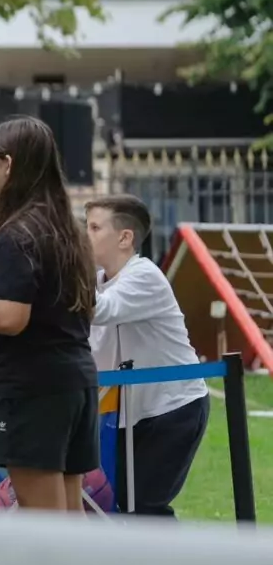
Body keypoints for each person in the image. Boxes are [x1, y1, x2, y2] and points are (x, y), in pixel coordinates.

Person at [0, 117, 100, 512]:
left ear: (8, 164)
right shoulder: (67, 229)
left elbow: (11, 318)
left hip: (33, 386)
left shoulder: (15, 233)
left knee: (43, 518)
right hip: (74, 378)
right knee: (69, 509)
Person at [85, 194, 209, 516]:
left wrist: (63, 271)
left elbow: (100, 311)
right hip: (126, 412)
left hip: (173, 407)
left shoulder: (144, 275)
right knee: (116, 503)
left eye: (94, 228)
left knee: (144, 507)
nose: (85, 236)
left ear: (125, 238)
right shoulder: (97, 281)